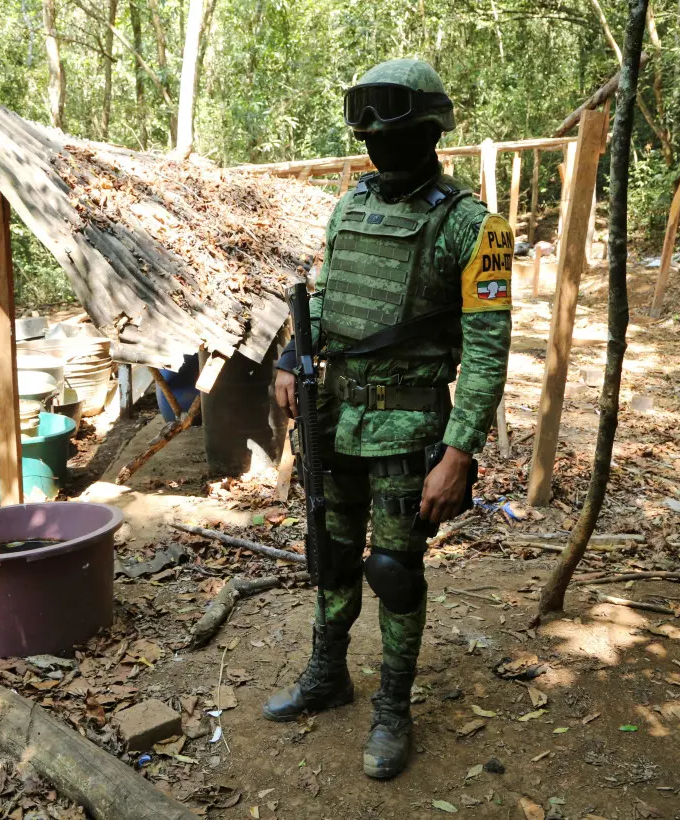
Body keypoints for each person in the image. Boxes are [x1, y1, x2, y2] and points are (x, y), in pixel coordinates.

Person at [267, 58, 513, 780]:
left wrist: (460, 451)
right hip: (335, 418)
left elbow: (488, 351)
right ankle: (327, 676)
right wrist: (289, 355)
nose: (378, 145)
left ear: (431, 130)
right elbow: (326, 299)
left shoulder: (474, 228)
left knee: (395, 573)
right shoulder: (349, 206)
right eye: (369, 133)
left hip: (409, 433)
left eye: (393, 131)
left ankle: (393, 711)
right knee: (333, 556)